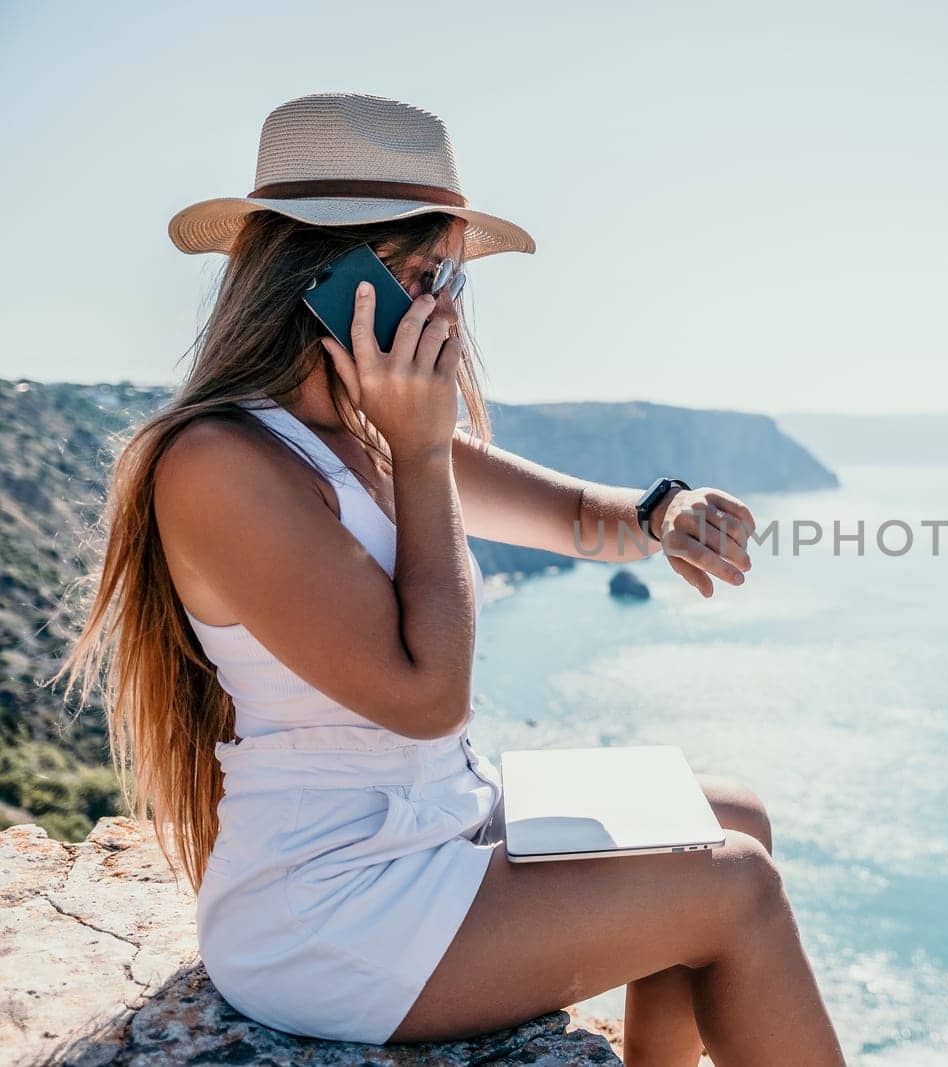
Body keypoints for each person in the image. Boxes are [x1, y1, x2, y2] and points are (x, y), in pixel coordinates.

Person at [54, 91, 847, 1066]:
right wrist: (425, 458)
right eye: (433, 275)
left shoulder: (370, 434)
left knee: (733, 815)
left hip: (438, 826)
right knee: (736, 887)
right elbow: (426, 700)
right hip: (332, 907)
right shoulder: (223, 462)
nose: (446, 307)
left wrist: (664, 513)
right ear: (339, 281)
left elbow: (575, 517)